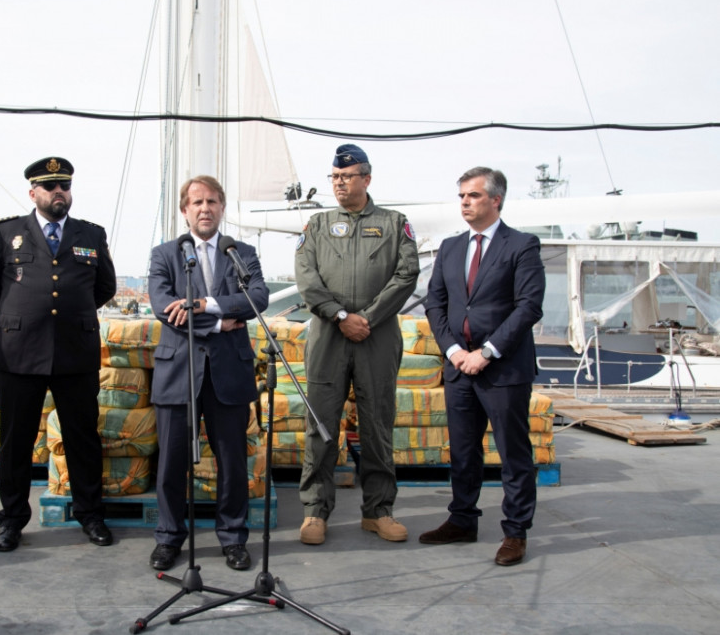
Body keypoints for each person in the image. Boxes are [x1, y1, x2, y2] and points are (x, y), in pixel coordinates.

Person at [0, 156, 116, 552]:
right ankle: (12, 520)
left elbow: (104, 287)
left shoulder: (91, 233)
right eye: (50, 186)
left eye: (65, 186)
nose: (59, 193)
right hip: (21, 352)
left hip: (75, 351)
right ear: (33, 192)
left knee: (82, 439)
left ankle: (90, 515)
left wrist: (72, 312)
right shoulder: (7, 232)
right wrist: (20, 309)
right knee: (15, 441)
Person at [294, 144, 419, 546]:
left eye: (346, 177)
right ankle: (315, 512)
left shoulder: (393, 223)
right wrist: (340, 316)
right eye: (333, 177)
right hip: (329, 337)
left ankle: (379, 511)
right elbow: (307, 277)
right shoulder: (317, 224)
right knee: (320, 425)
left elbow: (406, 275)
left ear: (366, 178)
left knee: (378, 424)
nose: (338, 183)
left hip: (377, 337)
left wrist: (369, 318)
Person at [420, 166, 545, 566]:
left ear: (496, 200)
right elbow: (435, 303)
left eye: (472, 196)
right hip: (459, 366)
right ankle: (462, 520)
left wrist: (487, 351)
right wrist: (454, 351)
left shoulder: (522, 245)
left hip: (503, 368)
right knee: (462, 451)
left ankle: (515, 532)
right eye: (461, 196)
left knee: (513, 452)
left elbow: (529, 307)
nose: (465, 203)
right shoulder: (451, 247)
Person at [147, 175, 269, 572]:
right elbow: (164, 307)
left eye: (213, 201)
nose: (205, 208)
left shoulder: (241, 252)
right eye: (197, 202)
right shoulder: (166, 254)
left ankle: (233, 538)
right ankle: (168, 538)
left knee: (232, 461)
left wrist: (204, 303)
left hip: (228, 374)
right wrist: (218, 323)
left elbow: (257, 298)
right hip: (178, 371)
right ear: (184, 210)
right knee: (171, 463)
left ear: (222, 207)